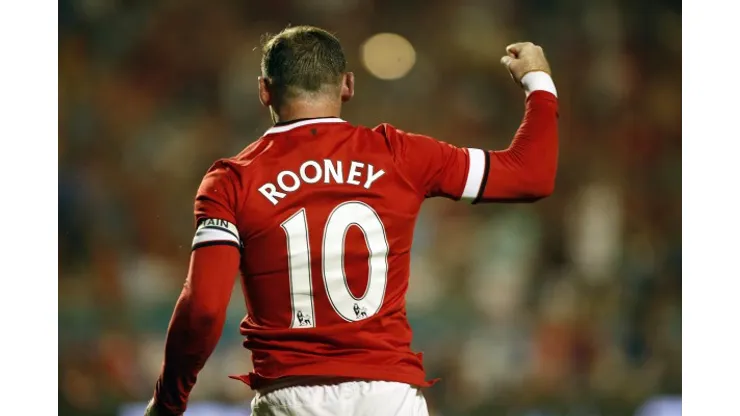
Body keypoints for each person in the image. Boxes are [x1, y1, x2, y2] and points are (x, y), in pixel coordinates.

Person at [146, 25, 559, 416]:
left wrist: (168, 403)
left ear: (264, 91)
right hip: (389, 398)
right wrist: (537, 80)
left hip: (291, 399)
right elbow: (530, 175)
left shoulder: (232, 181)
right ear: (347, 85)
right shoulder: (400, 155)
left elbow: (203, 308)